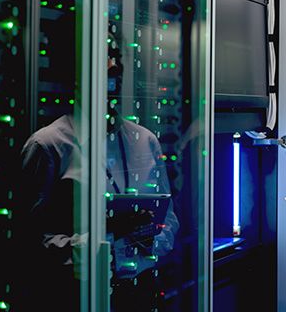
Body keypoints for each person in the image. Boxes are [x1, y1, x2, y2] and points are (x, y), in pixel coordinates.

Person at [17, 35, 178, 311]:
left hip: (141, 293)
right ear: (76, 73)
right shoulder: (48, 146)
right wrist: (108, 237)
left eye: (116, 56)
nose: (114, 65)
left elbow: (171, 222)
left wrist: (150, 237)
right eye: (104, 56)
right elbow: (30, 245)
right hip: (78, 297)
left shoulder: (144, 140)